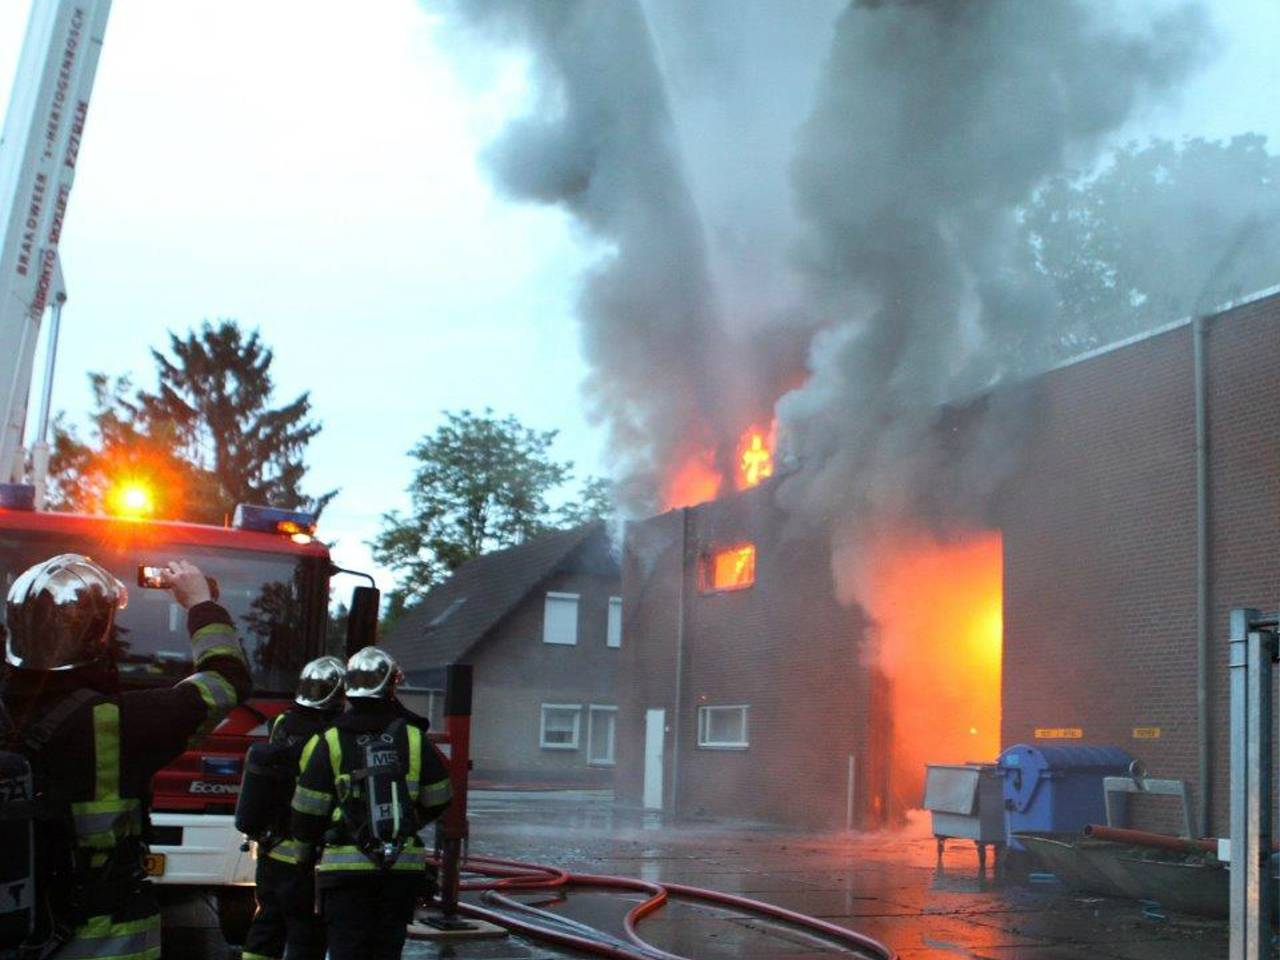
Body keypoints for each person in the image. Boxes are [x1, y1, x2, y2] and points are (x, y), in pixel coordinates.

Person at [0, 555, 249, 960]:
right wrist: (201, 604)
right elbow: (226, 680)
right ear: (100, 636)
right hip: (104, 941)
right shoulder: (120, 720)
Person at [290, 647, 451, 960]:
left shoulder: (332, 738)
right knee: (386, 951)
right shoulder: (414, 737)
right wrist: (406, 821)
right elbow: (441, 796)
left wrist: (304, 858)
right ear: (391, 687)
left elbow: (307, 808)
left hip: (344, 874)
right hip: (400, 870)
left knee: (346, 949)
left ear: (348, 687)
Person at [240, 655, 346, 960]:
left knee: (266, 926)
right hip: (303, 854)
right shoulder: (327, 737)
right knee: (306, 933)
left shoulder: (282, 724)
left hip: (271, 848)